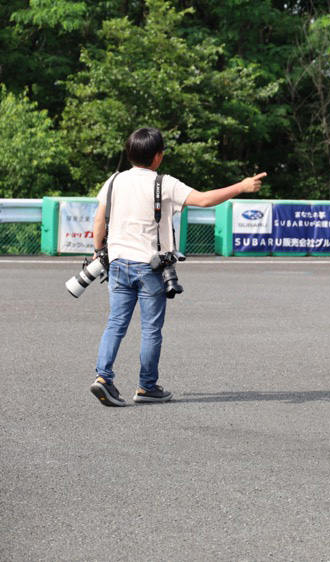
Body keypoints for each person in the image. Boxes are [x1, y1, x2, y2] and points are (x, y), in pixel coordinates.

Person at [89, 127, 266, 407]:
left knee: (115, 323)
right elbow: (205, 199)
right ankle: (146, 387)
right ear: (158, 156)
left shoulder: (114, 181)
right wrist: (241, 187)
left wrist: (100, 252)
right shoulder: (164, 183)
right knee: (150, 329)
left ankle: (103, 378)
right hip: (150, 266)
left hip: (118, 262)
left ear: (130, 153)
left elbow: (99, 221)